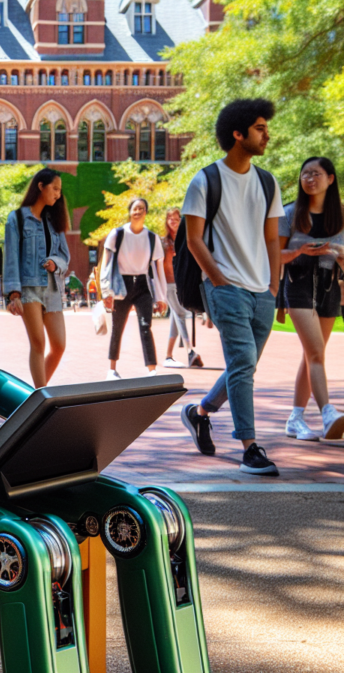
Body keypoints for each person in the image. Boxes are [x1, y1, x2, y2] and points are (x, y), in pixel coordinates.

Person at [180, 98, 284, 475]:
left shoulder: (267, 181)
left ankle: (200, 411)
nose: (266, 134)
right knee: (243, 363)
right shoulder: (204, 180)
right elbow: (194, 240)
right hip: (225, 288)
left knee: (245, 365)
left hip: (262, 291)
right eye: (259, 128)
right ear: (237, 134)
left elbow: (272, 239)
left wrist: (273, 284)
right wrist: (218, 279)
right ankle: (250, 447)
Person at [279, 156, 344, 442]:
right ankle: (328, 412)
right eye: (305, 174)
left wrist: (338, 254)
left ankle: (295, 418)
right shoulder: (289, 213)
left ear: (331, 179)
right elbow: (273, 257)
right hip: (298, 284)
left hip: (330, 287)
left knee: (312, 355)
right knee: (316, 352)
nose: (309, 179)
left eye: (316, 174)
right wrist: (299, 252)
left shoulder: (341, 216)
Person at [3, 168, 70, 388]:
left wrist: (55, 263)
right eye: (55, 188)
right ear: (41, 186)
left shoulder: (53, 221)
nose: (58, 194)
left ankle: (33, 395)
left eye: (60, 190)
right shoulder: (17, 219)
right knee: (38, 343)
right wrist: (14, 294)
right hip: (29, 288)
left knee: (59, 345)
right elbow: (11, 256)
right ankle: (42, 395)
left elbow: (65, 256)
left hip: (52, 290)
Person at [101, 198, 167, 379]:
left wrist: (161, 297)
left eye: (142, 209)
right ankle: (112, 369)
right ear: (130, 211)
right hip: (122, 285)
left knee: (146, 326)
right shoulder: (117, 234)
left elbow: (157, 270)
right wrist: (105, 290)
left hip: (143, 286)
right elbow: (105, 264)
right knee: (118, 327)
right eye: (135, 208)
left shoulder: (152, 238)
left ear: (146, 213)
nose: (138, 211)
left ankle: (152, 370)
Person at [161, 208, 203, 368]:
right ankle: (190, 352)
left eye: (176, 218)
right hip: (169, 285)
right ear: (167, 222)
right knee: (179, 314)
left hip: (181, 284)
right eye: (170, 218)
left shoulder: (185, 240)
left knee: (175, 319)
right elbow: (159, 266)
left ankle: (168, 356)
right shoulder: (164, 243)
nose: (173, 221)